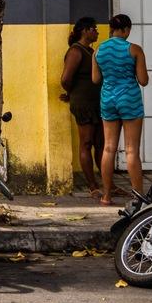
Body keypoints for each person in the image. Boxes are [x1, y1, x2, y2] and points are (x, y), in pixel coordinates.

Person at [92, 14, 148, 205]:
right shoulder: (134, 49)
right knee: (131, 150)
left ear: (111, 29)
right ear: (125, 30)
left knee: (108, 148)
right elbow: (143, 80)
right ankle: (139, 198)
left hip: (108, 99)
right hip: (130, 99)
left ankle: (106, 196)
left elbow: (95, 79)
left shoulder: (99, 50)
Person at [60, 16, 104, 197]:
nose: (97, 32)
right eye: (94, 29)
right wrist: (72, 93)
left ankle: (107, 183)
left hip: (97, 103)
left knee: (100, 144)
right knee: (86, 143)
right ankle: (93, 186)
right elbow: (65, 79)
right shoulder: (76, 51)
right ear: (85, 31)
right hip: (84, 105)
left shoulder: (90, 51)